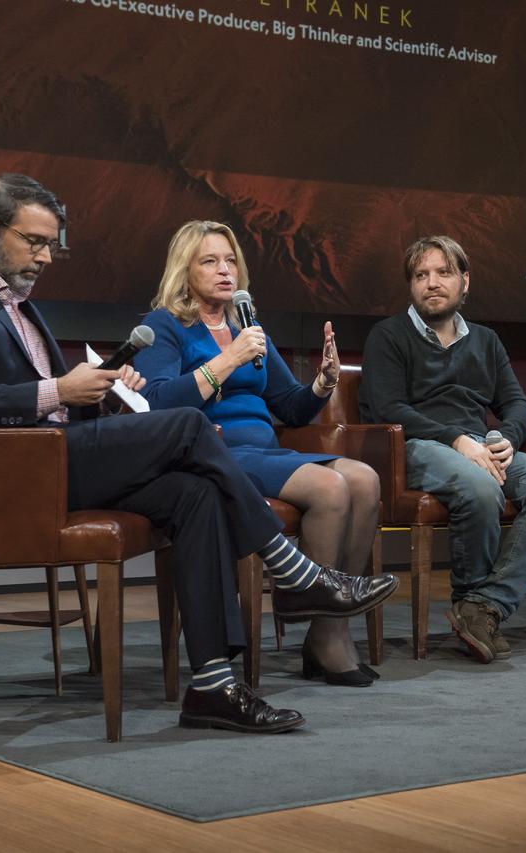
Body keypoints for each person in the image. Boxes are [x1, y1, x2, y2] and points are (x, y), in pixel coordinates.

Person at [0, 174, 396, 733]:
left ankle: (213, 685)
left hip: (55, 453)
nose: (45, 257)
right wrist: (60, 390)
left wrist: (101, 394)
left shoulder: (15, 302)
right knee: (185, 423)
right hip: (17, 475)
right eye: (34, 241)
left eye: (50, 244)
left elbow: (51, 404)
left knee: (197, 494)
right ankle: (289, 566)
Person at [136, 220, 384, 687]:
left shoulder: (247, 328)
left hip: (264, 450)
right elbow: (160, 404)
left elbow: (289, 406)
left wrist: (322, 383)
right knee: (330, 486)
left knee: (365, 480)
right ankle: (300, 597)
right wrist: (227, 360)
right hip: (213, 452)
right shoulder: (165, 326)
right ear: (183, 270)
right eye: (210, 261)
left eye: (230, 261)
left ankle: (327, 633)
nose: (225, 271)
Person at [359, 235, 526, 663]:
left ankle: (484, 607)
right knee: (480, 486)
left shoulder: (485, 339)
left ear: (465, 281)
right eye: (421, 275)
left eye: (443, 272)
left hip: (481, 447)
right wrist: (457, 440)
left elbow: (516, 403)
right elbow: (388, 408)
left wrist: (507, 441)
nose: (432, 283)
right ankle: (473, 598)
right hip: (418, 445)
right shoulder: (388, 335)